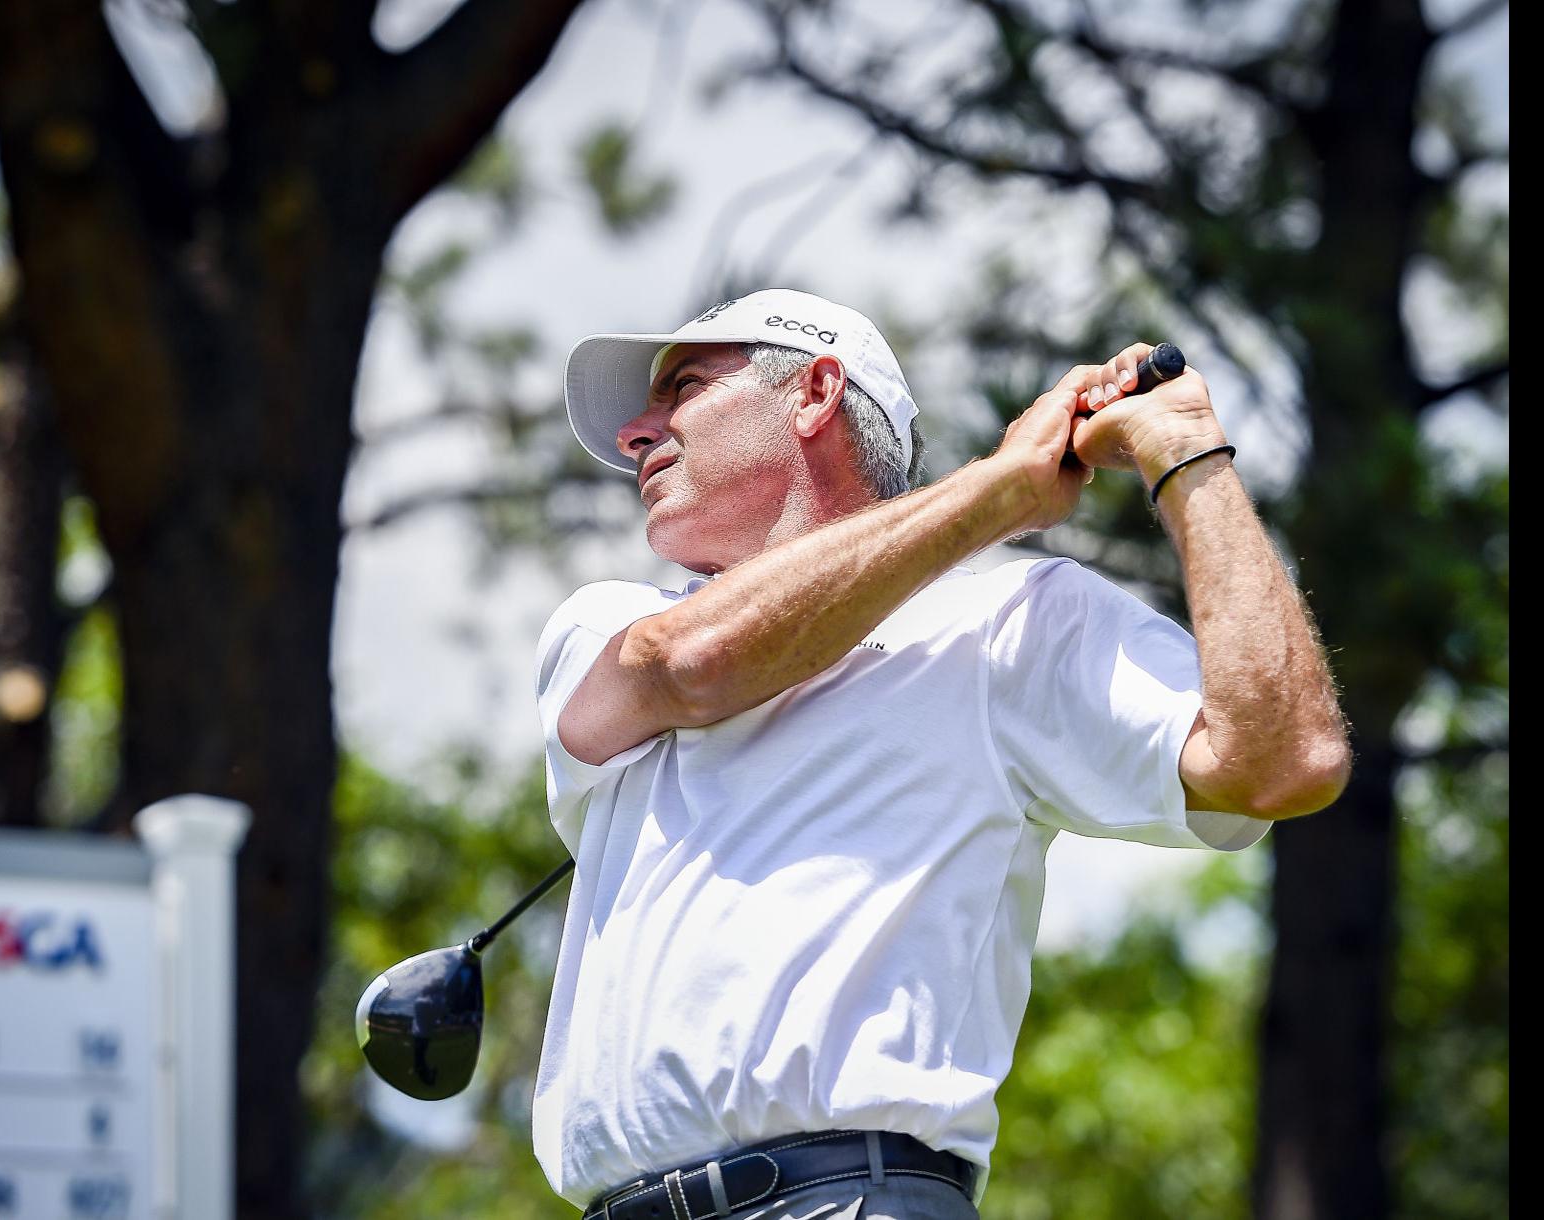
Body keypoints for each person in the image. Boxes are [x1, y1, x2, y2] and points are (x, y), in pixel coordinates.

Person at [532, 289, 1350, 1220]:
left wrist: (1186, 454)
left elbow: (1283, 762)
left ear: (813, 393)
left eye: (680, 387)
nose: (638, 433)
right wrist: (1000, 489)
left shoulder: (1011, 623)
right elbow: (689, 662)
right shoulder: (613, 623)